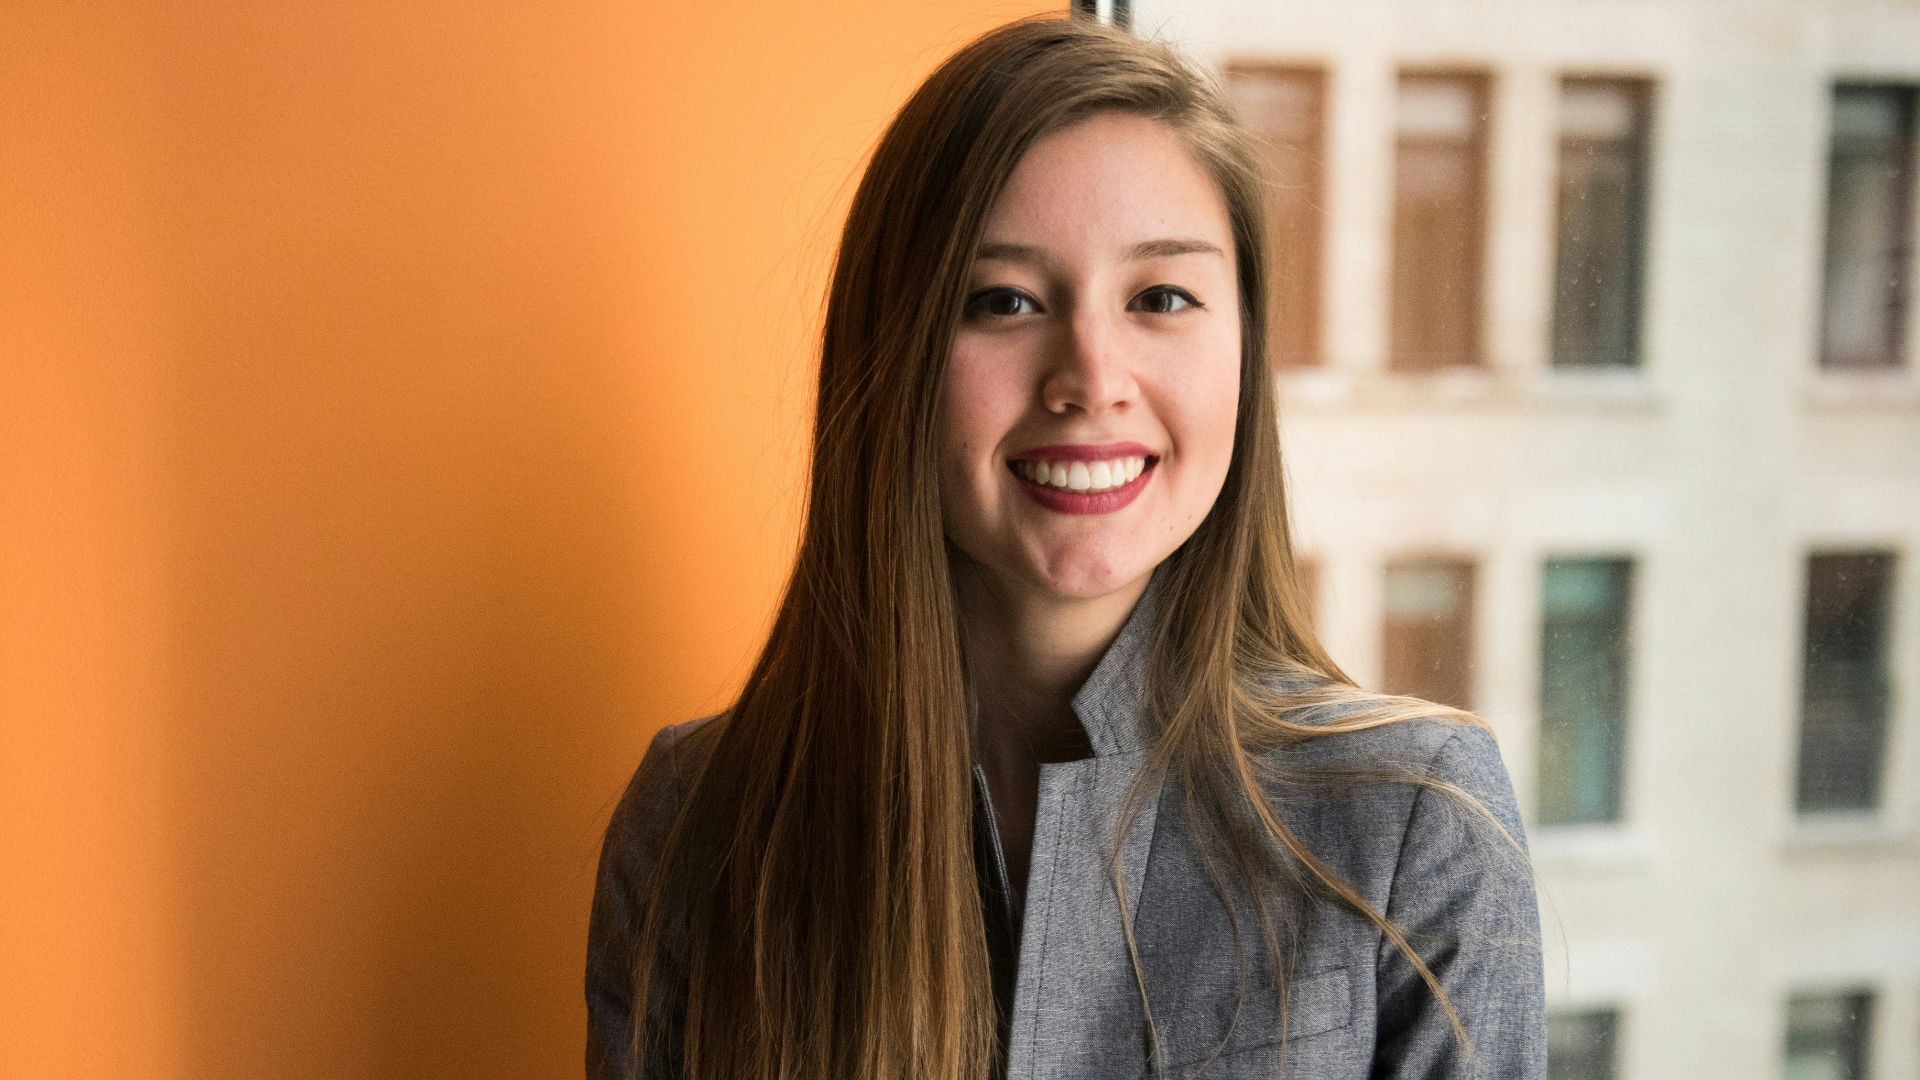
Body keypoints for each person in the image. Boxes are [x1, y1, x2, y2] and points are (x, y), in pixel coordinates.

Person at [586, 14, 1544, 1080]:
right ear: (893, 355)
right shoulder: (697, 825)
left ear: (1244, 349)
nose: (1090, 375)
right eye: (1003, 301)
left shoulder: (1418, 816)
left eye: (1161, 298)